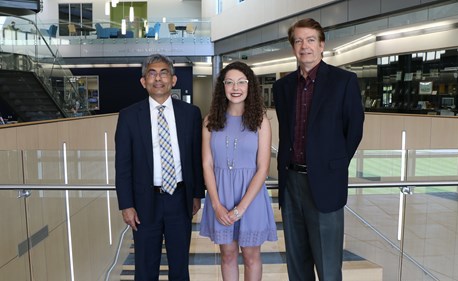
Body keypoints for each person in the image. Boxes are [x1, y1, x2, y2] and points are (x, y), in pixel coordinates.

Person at [272, 18, 365, 281]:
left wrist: (331, 166)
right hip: (291, 183)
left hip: (325, 184)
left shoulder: (343, 81)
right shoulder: (283, 87)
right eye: (298, 41)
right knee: (297, 266)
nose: (305, 46)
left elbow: (354, 131)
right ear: (293, 47)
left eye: (311, 40)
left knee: (328, 267)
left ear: (322, 45)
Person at [115, 54, 205, 281]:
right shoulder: (128, 116)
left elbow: (196, 157)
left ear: (173, 80)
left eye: (163, 72)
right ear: (143, 82)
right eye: (152, 73)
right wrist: (126, 205)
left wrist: (196, 194)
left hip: (180, 198)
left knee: (179, 267)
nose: (158, 78)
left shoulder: (191, 113)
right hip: (145, 203)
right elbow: (123, 165)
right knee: (145, 269)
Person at [199, 61, 277, 280]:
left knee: (251, 256)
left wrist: (241, 208)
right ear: (222, 87)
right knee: (228, 254)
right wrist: (216, 205)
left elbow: (263, 168)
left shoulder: (261, 121)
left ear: (250, 86)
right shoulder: (210, 121)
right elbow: (207, 164)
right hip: (220, 196)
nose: (236, 88)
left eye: (241, 82)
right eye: (230, 82)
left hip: (250, 198)